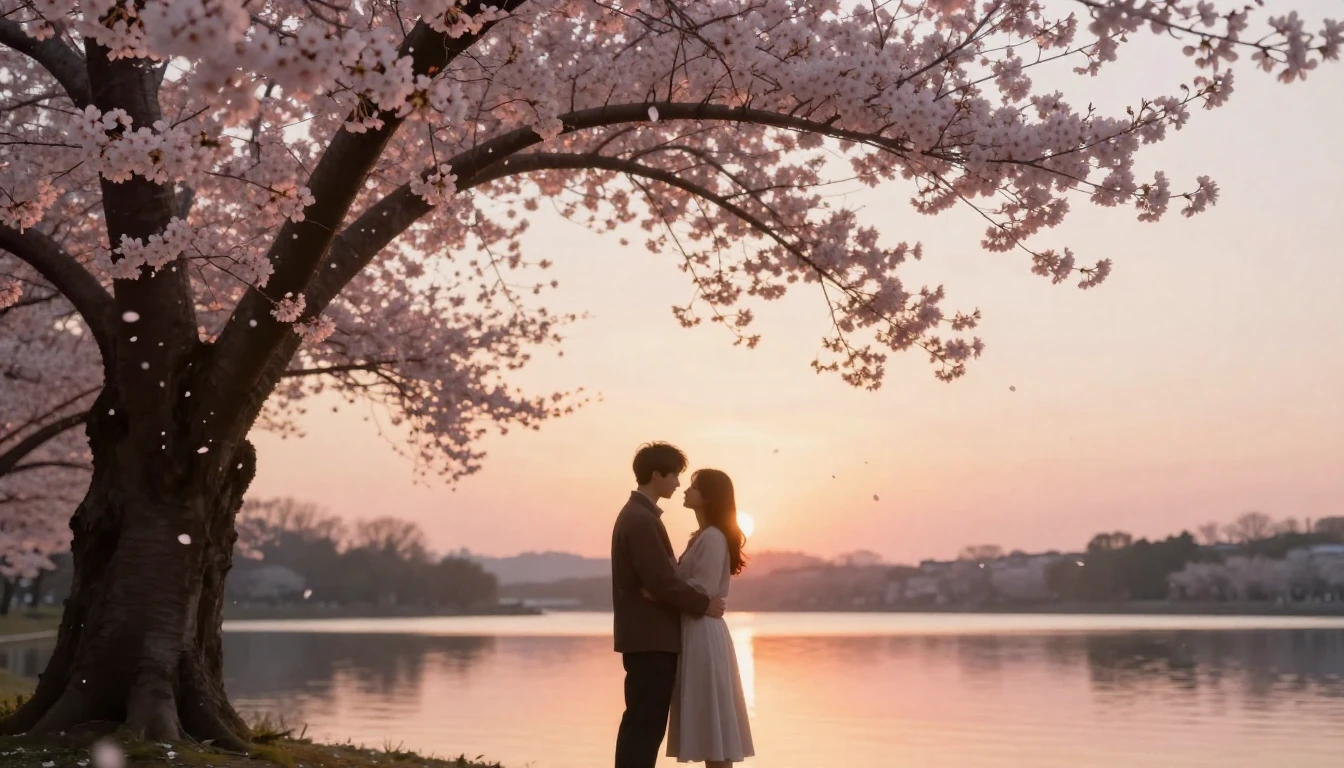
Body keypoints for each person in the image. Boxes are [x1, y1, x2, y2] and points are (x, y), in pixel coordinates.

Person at [612, 442, 726, 768]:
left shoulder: (641, 516)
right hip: (650, 638)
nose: (678, 483)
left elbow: (660, 583)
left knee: (644, 722)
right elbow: (661, 581)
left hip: (650, 637)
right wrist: (703, 603)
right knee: (644, 724)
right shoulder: (640, 519)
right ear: (656, 475)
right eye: (675, 475)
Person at [666, 469, 754, 766]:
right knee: (709, 721)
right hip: (696, 629)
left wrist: (659, 592)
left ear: (708, 497)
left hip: (703, 633)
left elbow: (700, 590)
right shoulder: (702, 537)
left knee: (712, 721)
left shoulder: (713, 538)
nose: (685, 490)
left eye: (693, 487)